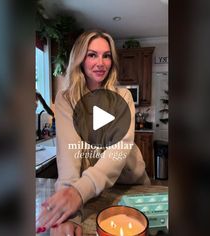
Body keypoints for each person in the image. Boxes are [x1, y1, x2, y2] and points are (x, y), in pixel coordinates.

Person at [36, 30, 150, 235]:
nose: (101, 62)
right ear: (80, 58)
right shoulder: (66, 99)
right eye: (92, 54)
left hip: (129, 184)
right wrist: (70, 213)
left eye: (106, 55)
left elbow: (118, 151)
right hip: (91, 191)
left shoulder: (122, 96)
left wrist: (79, 193)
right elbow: (69, 160)